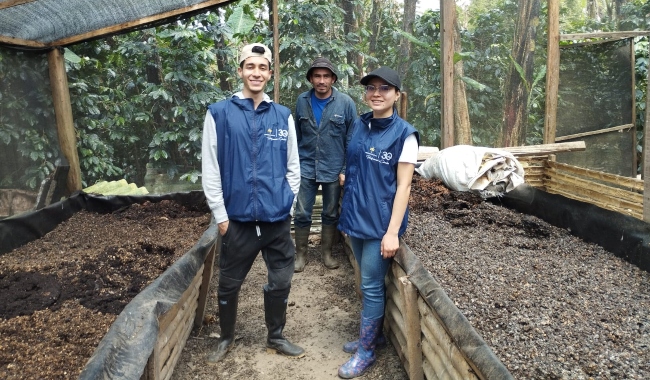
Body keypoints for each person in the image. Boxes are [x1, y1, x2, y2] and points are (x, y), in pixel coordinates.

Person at [201, 42, 305, 364]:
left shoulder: (282, 115)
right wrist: (221, 215)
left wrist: (285, 205)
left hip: (276, 222)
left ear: (270, 73)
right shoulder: (219, 114)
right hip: (238, 223)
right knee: (228, 284)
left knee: (281, 280)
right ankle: (227, 337)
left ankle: (276, 336)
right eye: (250, 66)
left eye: (262, 68)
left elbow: (293, 167)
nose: (256, 73)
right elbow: (210, 168)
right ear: (240, 71)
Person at [336, 67, 419, 379]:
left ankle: (366, 350)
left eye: (385, 88)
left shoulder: (404, 135)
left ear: (397, 95)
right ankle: (375, 334)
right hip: (356, 217)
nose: (376, 93)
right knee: (365, 280)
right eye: (371, 88)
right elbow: (354, 164)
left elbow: (404, 187)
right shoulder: (361, 124)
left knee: (371, 286)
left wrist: (392, 232)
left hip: (380, 224)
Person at [293, 57, 357, 272]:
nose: (321, 80)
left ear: (333, 79)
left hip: (333, 168)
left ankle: (326, 253)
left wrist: (345, 169)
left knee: (330, 212)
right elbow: (296, 136)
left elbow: (352, 138)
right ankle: (300, 254)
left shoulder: (346, 103)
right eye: (317, 76)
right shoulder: (302, 101)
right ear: (311, 79)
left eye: (326, 76)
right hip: (306, 167)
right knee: (302, 212)